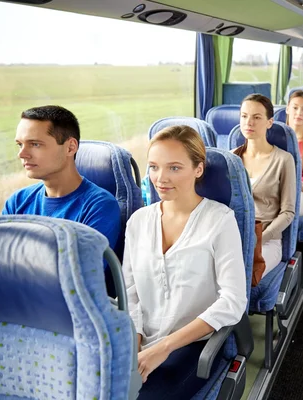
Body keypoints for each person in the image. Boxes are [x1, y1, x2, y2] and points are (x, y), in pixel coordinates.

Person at [122, 125, 247, 398]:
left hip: (193, 344)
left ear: (198, 169)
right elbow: (130, 293)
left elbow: (233, 301)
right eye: (154, 167)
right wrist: (136, 345)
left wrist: (164, 348)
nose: (161, 178)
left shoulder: (220, 220)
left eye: (174, 168)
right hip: (141, 341)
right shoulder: (138, 222)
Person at [2, 105, 121, 291]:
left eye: (35, 144)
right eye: (20, 144)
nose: (22, 154)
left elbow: (77, 278)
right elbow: (0, 264)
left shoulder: (99, 206)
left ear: (70, 147)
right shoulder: (17, 202)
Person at [234, 94, 296, 279]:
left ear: (269, 122)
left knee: (238, 273)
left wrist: (259, 239)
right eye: (244, 116)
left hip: (267, 241)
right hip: (234, 236)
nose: (249, 122)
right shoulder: (232, 159)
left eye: (256, 117)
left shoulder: (284, 160)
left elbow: (288, 213)